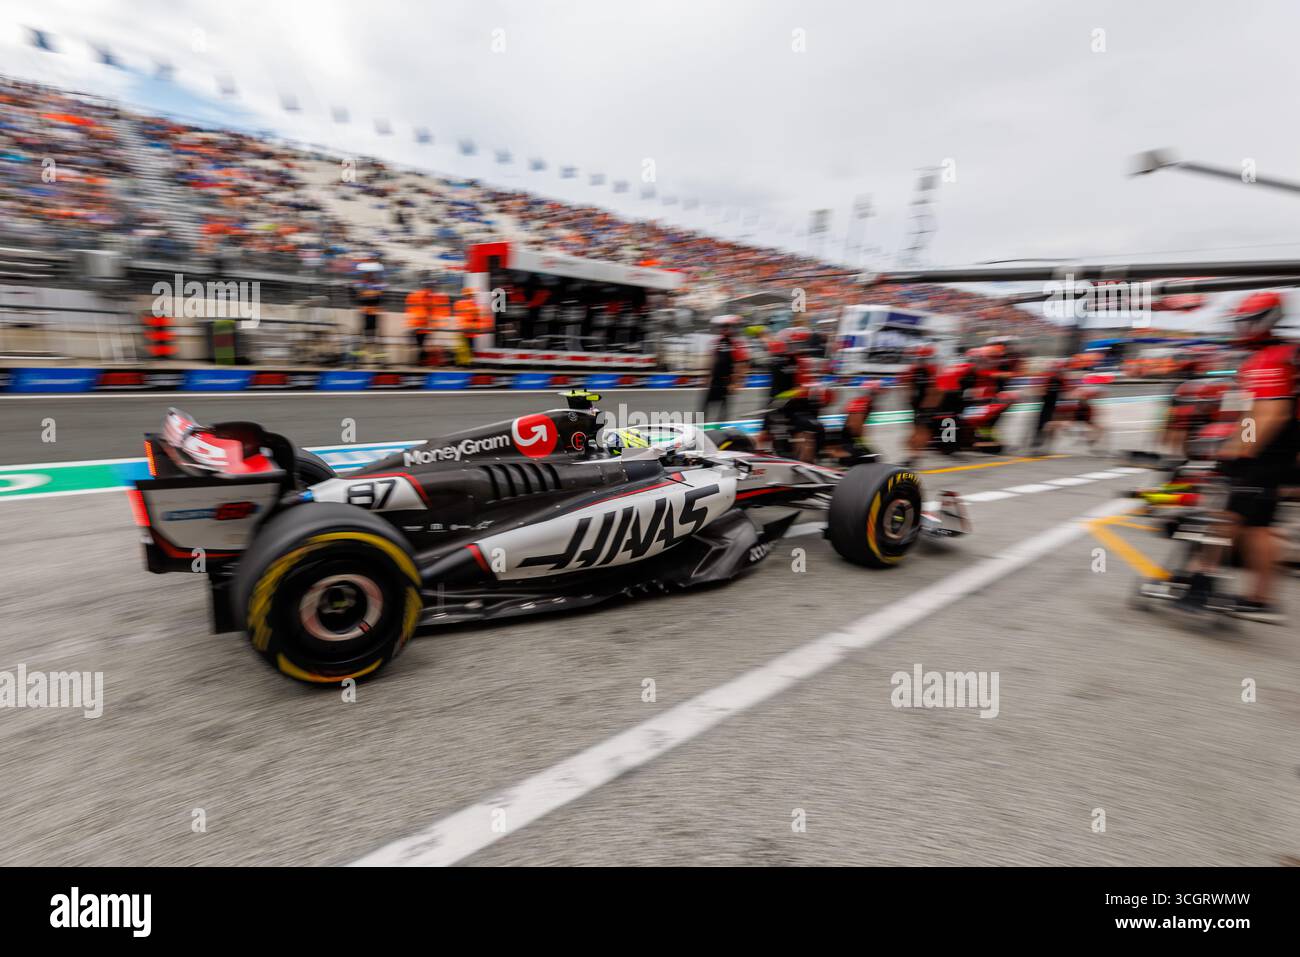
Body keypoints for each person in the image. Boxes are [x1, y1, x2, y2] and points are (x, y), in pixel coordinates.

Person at [1175, 292, 1299, 622]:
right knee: (1258, 525)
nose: (1240, 328)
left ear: (1263, 320)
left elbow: (1270, 413)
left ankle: (1202, 580)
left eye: (1245, 322)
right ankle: (1258, 597)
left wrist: (1239, 449)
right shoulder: (1281, 352)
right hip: (1281, 452)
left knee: (1229, 517)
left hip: (1270, 452)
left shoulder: (1269, 358)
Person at [703, 315, 750, 423]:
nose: (724, 329)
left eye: (727, 327)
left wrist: (737, 383)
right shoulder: (717, 342)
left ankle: (721, 431)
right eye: (723, 327)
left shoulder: (737, 344)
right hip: (714, 380)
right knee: (704, 408)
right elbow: (712, 359)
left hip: (726, 382)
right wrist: (707, 376)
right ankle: (699, 429)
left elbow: (742, 364)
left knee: (723, 412)